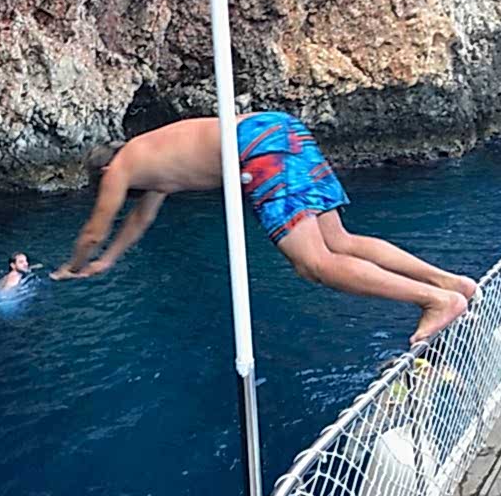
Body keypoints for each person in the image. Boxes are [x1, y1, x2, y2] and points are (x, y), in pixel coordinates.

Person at [50, 112, 477, 344]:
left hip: (255, 148)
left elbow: (93, 231)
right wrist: (109, 260)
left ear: (103, 169)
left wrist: (74, 265)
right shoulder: (151, 160)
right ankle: (450, 282)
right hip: (279, 128)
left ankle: (436, 300)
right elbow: (139, 219)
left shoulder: (119, 167)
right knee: (339, 240)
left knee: (314, 264)